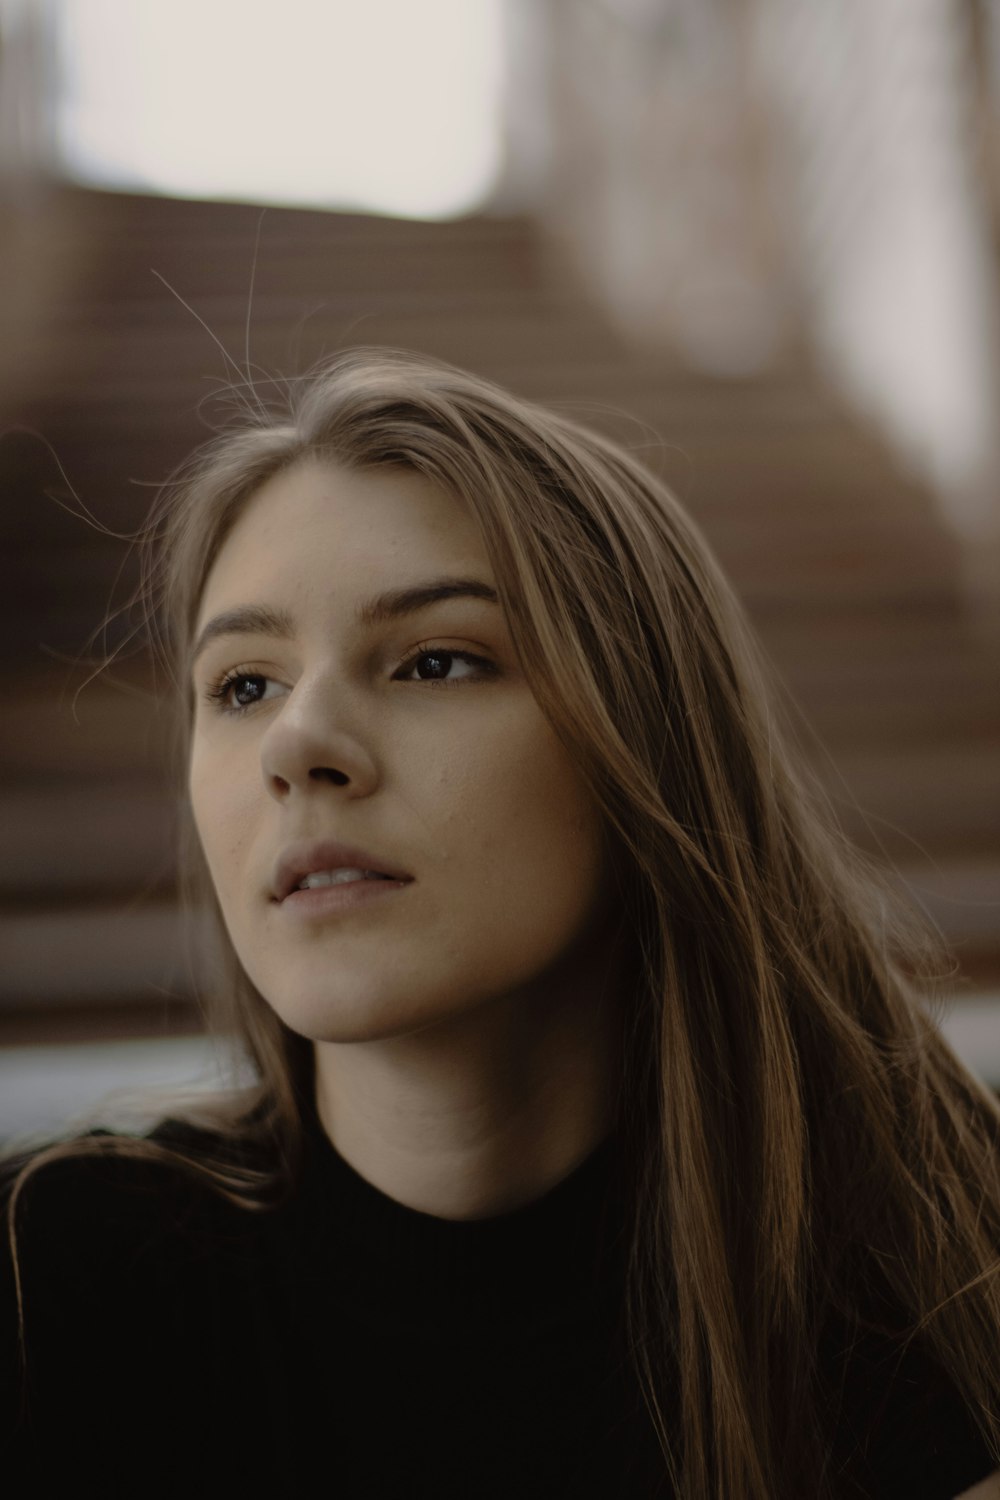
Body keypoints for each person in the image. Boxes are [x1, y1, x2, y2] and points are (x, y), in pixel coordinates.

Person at [2, 347, 999, 1499]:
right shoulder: (50, 1283)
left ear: (648, 753)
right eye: (243, 686)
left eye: (434, 662)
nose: (294, 746)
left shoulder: (938, 1312)